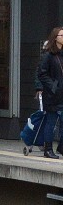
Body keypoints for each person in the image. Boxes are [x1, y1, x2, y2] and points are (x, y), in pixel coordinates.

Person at [35, 26, 63, 158]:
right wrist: (53, 87)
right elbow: (42, 73)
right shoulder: (48, 55)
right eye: (62, 35)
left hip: (60, 93)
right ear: (55, 38)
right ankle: (48, 149)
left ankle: (60, 147)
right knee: (51, 122)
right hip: (52, 95)